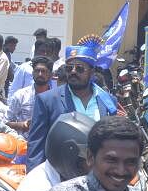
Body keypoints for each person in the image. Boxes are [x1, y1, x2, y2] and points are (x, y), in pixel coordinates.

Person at [26, 37, 120, 169]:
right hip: (60, 174)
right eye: (69, 68)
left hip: (98, 173)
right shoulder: (47, 100)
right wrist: (33, 178)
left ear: (92, 72)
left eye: (80, 68)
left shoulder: (108, 102)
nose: (73, 72)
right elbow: (36, 144)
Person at [6, 55, 54, 134]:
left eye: (43, 71)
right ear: (32, 73)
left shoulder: (56, 97)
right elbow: (6, 122)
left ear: (50, 75)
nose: (40, 74)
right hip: (24, 142)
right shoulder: (21, 95)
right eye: (37, 71)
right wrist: (22, 125)